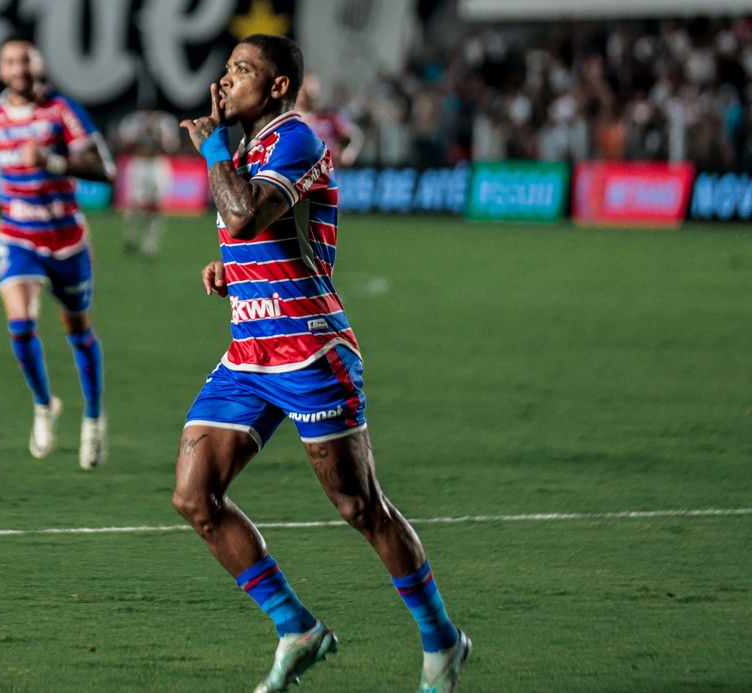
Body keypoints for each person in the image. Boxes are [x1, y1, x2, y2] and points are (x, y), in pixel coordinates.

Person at [173, 35, 470, 693]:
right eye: (224, 69)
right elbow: (263, 236)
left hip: (311, 349)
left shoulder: (295, 139)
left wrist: (213, 148)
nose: (226, 81)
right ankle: (296, 627)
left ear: (279, 86)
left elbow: (245, 214)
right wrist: (233, 272)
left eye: (243, 70)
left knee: (359, 506)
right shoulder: (248, 148)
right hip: (250, 350)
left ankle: (442, 640)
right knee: (194, 494)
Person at [0, 38, 116, 470]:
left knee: (76, 329)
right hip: (16, 234)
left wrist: (53, 162)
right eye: (11, 61)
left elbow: (104, 170)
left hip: (65, 238)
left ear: (38, 65)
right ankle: (43, 405)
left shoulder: (61, 111)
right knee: (20, 323)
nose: (19, 67)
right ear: (1, 71)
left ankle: (93, 417)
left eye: (26, 60)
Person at [115, 108, 181, 258]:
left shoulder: (165, 122)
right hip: (139, 163)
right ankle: (131, 236)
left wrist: (156, 132)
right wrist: (141, 132)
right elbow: (123, 146)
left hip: (157, 163)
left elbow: (171, 148)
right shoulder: (132, 121)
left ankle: (150, 244)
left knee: (158, 204)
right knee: (136, 203)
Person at [296, 71, 364, 167]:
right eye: (304, 90)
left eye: (311, 90)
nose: (306, 95)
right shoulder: (290, 121)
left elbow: (355, 136)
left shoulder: (331, 117)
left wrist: (349, 152)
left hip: (327, 176)